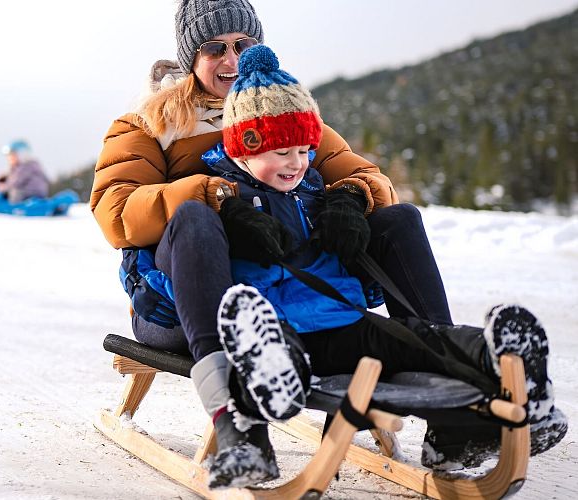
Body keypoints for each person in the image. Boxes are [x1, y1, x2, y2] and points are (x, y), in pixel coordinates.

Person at [91, 0, 452, 486]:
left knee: (400, 220)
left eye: (244, 45)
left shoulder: (283, 110)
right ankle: (237, 422)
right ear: (190, 58)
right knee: (196, 219)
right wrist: (213, 194)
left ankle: (449, 406)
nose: (232, 60)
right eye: (214, 48)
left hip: (295, 293)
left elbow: (369, 177)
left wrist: (350, 196)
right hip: (182, 301)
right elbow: (116, 213)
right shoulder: (147, 125)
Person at [199, 44, 567, 488]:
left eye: (303, 150)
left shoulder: (315, 191)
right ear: (243, 148)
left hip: (345, 321)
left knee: (421, 341)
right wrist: (227, 217)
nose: (296, 164)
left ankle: (503, 359)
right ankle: (273, 377)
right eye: (281, 152)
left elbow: (365, 190)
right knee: (277, 352)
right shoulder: (221, 199)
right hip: (278, 327)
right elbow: (186, 264)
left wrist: (349, 199)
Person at [0, 139, 50, 204]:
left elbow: (15, 182)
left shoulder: (27, 167)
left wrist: (3, 187)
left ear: (22, 155)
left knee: (15, 191)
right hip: (34, 194)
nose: (9, 159)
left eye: (12, 155)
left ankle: (14, 206)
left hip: (31, 194)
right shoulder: (27, 166)